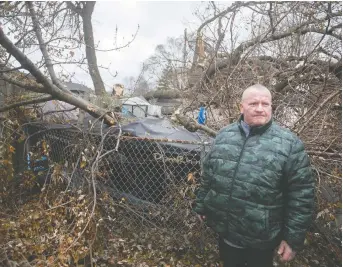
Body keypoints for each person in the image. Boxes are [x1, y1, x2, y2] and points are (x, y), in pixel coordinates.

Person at [194, 84, 314, 267]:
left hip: (262, 241)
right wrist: (201, 205)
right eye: (253, 103)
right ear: (241, 107)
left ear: (271, 107)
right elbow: (209, 174)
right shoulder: (224, 136)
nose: (260, 109)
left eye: (265, 104)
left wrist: (292, 239)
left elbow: (302, 196)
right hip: (227, 233)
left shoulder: (289, 145)